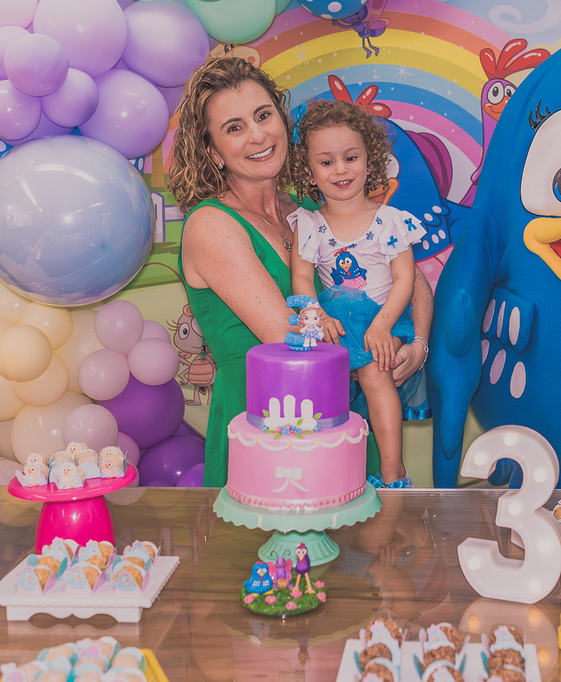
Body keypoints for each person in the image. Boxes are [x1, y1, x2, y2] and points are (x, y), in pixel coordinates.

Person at [166, 57, 432, 488]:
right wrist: (376, 342)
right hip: (269, 436)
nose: (257, 135)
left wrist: (417, 344)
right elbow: (293, 339)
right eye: (234, 128)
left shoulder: (311, 211)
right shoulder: (212, 225)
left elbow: (412, 279)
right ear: (213, 151)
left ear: (281, 120)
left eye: (263, 115)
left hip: (342, 424)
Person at [286, 101, 425, 488]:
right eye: (326, 162)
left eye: (351, 158)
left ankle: (394, 474)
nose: (341, 170)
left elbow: (405, 280)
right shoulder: (309, 223)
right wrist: (315, 314)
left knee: (375, 373)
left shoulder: (389, 221)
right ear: (309, 171)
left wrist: (381, 326)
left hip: (384, 319)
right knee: (319, 383)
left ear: (369, 160)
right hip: (335, 323)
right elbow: (302, 277)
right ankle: (326, 476)